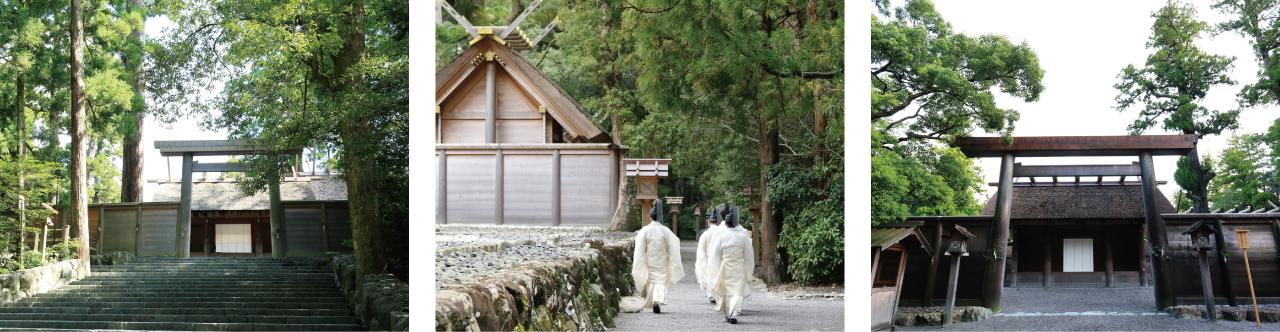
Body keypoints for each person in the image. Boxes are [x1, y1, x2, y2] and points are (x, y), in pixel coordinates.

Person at [631, 199, 684, 314]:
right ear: (660, 217)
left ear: (650, 216)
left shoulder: (644, 231)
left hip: (650, 260)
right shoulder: (666, 231)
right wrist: (672, 259)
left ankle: (654, 301)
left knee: (651, 281)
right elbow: (673, 245)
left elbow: (639, 249)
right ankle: (657, 301)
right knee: (661, 281)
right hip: (662, 261)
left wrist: (640, 261)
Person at [707, 206, 754, 324]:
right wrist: (749, 269)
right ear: (736, 224)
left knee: (727, 292)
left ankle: (729, 312)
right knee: (737, 292)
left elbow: (715, 256)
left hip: (725, 267)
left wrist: (713, 270)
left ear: (726, 224)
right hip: (739, 267)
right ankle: (733, 313)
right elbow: (749, 256)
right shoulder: (744, 237)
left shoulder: (721, 237)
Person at [695, 206, 726, 304]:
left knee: (710, 274)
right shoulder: (722, 231)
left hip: (709, 257)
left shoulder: (705, 234)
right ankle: (721, 294)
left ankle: (711, 295)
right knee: (720, 275)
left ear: (708, 222)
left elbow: (701, 250)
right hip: (721, 256)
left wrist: (701, 262)